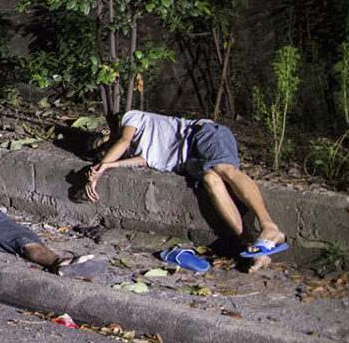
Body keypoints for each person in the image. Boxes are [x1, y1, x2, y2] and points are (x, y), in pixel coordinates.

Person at [86, 109, 287, 268]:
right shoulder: (140, 153)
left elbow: (123, 141)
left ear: (106, 133)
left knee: (224, 169)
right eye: (99, 153)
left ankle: (269, 226)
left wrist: (102, 167)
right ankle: (254, 247)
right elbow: (140, 161)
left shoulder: (131, 119)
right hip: (188, 162)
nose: (103, 151)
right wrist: (109, 165)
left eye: (100, 144)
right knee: (211, 180)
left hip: (200, 135)